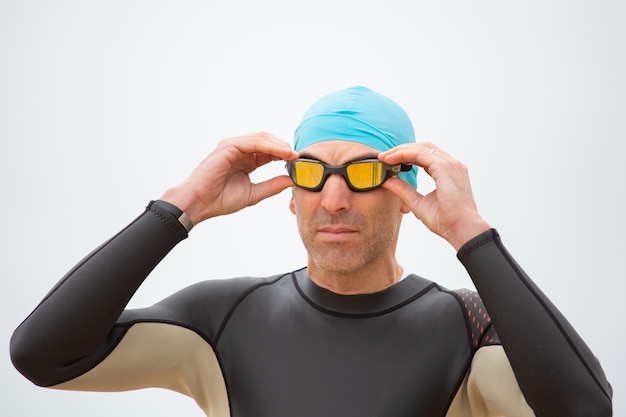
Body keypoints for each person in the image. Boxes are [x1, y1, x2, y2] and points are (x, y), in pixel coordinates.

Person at [10, 86, 612, 417]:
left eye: (364, 175)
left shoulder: (472, 326)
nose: (334, 199)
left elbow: (583, 412)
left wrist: (470, 233)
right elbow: (43, 355)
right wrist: (179, 207)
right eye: (311, 174)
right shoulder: (222, 319)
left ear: (407, 193)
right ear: (289, 196)